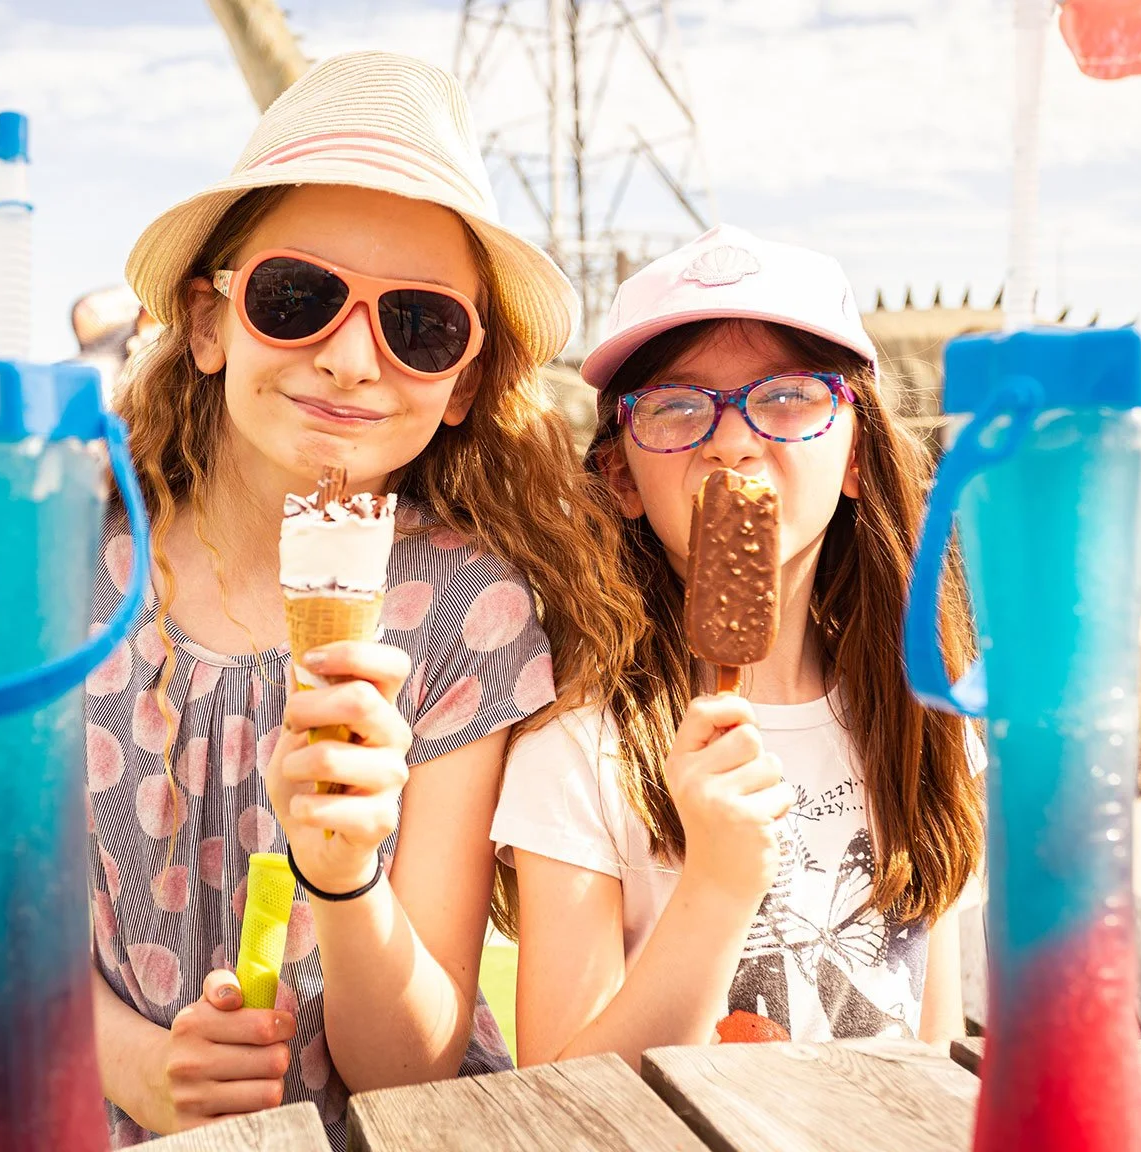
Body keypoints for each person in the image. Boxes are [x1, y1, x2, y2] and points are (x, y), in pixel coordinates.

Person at [85, 51, 629, 1147]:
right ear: (208, 322)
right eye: (297, 297)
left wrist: (345, 881)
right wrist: (141, 1066)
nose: (348, 358)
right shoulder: (72, 569)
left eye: (419, 324)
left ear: (464, 381)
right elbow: (5, 934)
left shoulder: (468, 612)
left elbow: (410, 1070)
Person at [490, 225, 986, 1070]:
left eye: (789, 396)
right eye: (677, 407)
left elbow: (936, 1050)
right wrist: (716, 887)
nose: (731, 439)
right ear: (621, 477)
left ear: (857, 455)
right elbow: (562, 1100)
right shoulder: (577, 752)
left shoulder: (926, 719)